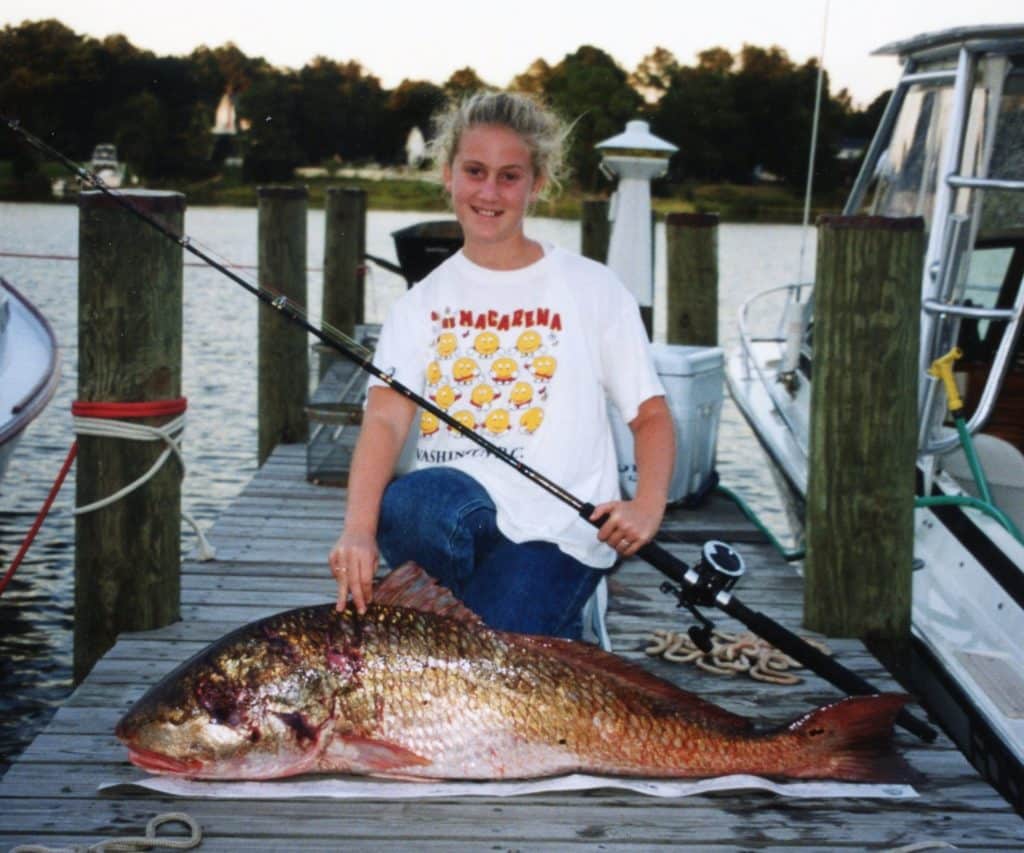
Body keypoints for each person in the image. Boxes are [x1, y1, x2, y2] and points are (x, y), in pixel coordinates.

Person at [328, 91, 674, 639]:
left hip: (559, 531)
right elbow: (386, 421)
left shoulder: (592, 288)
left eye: (509, 176)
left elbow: (649, 414)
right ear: (448, 175)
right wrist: (356, 531)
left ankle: (515, 619)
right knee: (413, 501)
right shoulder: (417, 305)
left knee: (487, 659)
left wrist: (647, 504)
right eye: (474, 171)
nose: (489, 192)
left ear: (536, 184)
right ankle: (509, 623)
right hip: (458, 517)